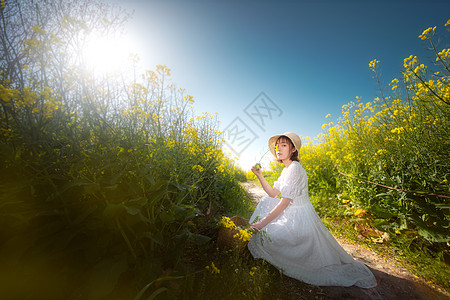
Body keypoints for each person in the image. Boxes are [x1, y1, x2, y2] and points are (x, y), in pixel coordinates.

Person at [248, 132, 377, 288]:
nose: (278, 149)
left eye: (284, 145)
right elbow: (272, 193)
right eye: (277, 146)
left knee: (269, 237)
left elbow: (284, 203)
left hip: (299, 217)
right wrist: (260, 175)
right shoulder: (286, 170)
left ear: (293, 149)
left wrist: (261, 224)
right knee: (265, 201)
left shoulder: (295, 167)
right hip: (292, 211)